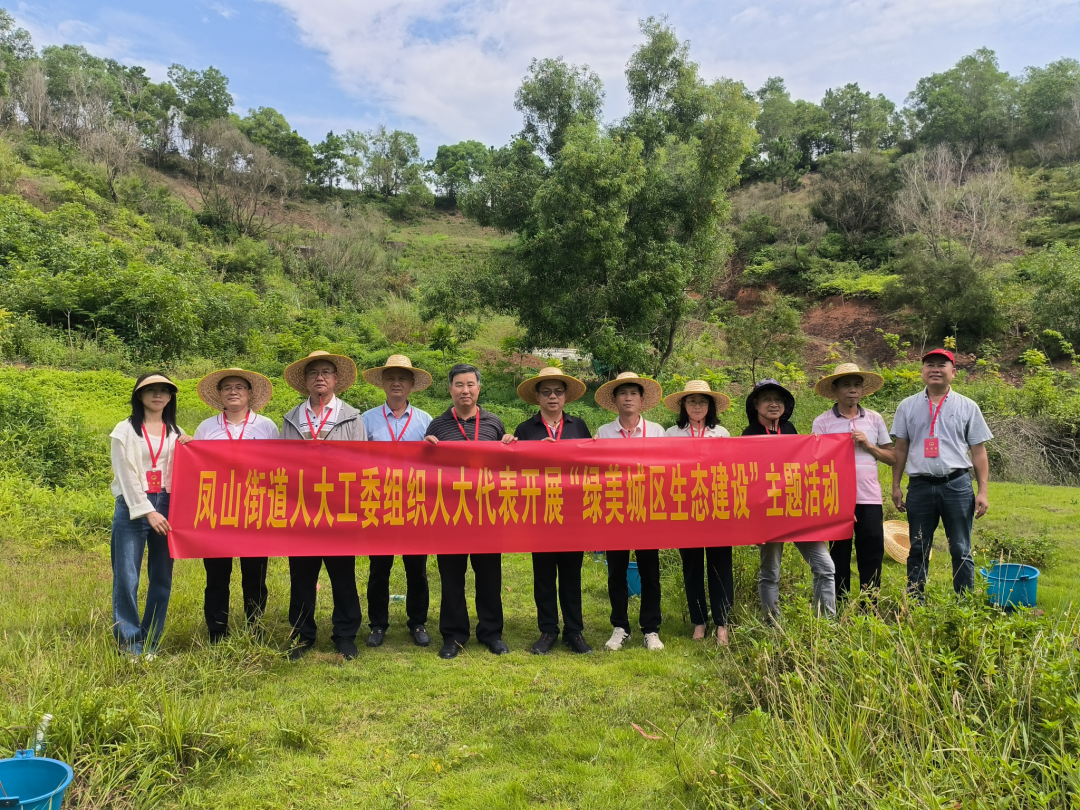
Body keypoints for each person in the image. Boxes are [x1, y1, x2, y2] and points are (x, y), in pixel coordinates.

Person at [281, 350, 368, 661]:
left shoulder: (352, 416)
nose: (320, 377)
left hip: (339, 509)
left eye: (326, 372)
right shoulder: (291, 418)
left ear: (336, 380)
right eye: (314, 372)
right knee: (302, 575)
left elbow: (362, 463)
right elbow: (282, 466)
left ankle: (345, 635)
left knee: (342, 573)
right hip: (301, 508)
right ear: (305, 381)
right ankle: (302, 636)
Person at [891, 349, 992, 599]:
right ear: (922, 372)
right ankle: (915, 601)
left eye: (941, 365)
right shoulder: (907, 406)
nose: (935, 369)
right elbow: (900, 448)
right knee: (918, 547)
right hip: (920, 487)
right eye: (929, 365)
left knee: (960, 547)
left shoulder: (968, 406)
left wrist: (982, 491)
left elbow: (978, 451)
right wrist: (895, 485)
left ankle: (964, 603)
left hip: (956, 485)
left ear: (953, 373)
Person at [424, 363, 509, 659]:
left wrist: (509, 444)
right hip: (450, 514)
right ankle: (453, 635)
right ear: (450, 390)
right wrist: (424, 449)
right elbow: (426, 471)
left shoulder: (494, 424)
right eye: (459, 385)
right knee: (451, 578)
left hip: (486, 514)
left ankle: (491, 633)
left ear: (479, 388)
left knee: (489, 577)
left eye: (470, 384)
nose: (465, 390)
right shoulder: (437, 426)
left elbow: (506, 466)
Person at [512, 367, 594, 655]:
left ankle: (574, 631)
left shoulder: (578, 426)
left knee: (571, 576)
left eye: (558, 392)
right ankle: (548, 630)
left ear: (566, 397)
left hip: (572, 513)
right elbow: (517, 471)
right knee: (544, 576)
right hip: (540, 512)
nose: (552, 397)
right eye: (546, 392)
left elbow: (589, 466)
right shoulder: (525, 430)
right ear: (537, 397)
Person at [109, 373, 191, 658]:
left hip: (167, 504)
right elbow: (126, 474)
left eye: (164, 391)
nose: (158, 395)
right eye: (151, 390)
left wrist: (191, 448)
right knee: (126, 577)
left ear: (170, 397)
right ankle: (130, 643)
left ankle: (151, 641)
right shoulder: (125, 430)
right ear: (139, 395)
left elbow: (183, 468)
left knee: (161, 576)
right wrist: (148, 511)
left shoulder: (175, 431)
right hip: (133, 507)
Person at [193, 367, 278, 643]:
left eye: (239, 387)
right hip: (217, 513)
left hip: (256, 511)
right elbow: (194, 468)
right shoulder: (206, 428)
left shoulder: (266, 426)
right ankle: (217, 631)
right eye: (227, 387)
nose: (233, 392)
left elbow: (278, 468)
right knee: (217, 576)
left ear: (250, 393)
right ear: (219, 394)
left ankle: (254, 628)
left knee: (255, 575)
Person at [743, 378, 836, 619]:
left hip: (797, 511)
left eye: (778, 400)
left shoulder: (792, 429)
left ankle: (826, 624)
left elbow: (808, 468)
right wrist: (753, 525)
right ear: (756, 404)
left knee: (825, 567)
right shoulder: (748, 434)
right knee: (770, 572)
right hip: (768, 515)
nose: (773, 404)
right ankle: (772, 622)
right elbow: (746, 481)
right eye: (767, 400)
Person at [360, 355, 434, 649]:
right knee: (379, 567)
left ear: (412, 384)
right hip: (378, 502)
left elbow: (437, 463)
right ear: (383, 383)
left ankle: (417, 622)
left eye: (403, 378)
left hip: (415, 503)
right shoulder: (366, 419)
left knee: (416, 567)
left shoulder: (426, 421)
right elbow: (354, 460)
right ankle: (378, 624)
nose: (396, 383)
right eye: (391, 377)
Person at [594, 371, 666, 651]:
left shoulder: (658, 431)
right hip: (616, 510)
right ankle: (620, 626)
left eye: (633, 393)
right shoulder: (603, 432)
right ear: (615, 400)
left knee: (650, 571)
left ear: (641, 399)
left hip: (649, 510)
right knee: (617, 570)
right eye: (622, 393)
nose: (628, 398)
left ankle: (651, 628)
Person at [811, 364, 894, 602]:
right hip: (837, 499)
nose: (852, 390)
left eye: (857, 385)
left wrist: (868, 445)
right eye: (846, 385)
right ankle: (839, 606)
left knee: (872, 553)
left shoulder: (875, 419)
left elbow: (892, 457)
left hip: (869, 498)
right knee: (839, 555)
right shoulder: (822, 422)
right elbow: (817, 464)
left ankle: (870, 605)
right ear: (835, 390)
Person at [664, 380, 734, 645]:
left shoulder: (722, 433)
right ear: (684, 405)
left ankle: (723, 624)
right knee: (692, 566)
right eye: (691, 401)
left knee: (720, 567)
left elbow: (730, 469)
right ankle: (698, 622)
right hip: (685, 507)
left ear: (710, 406)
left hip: (717, 507)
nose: (697, 406)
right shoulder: (671, 433)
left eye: (702, 401)